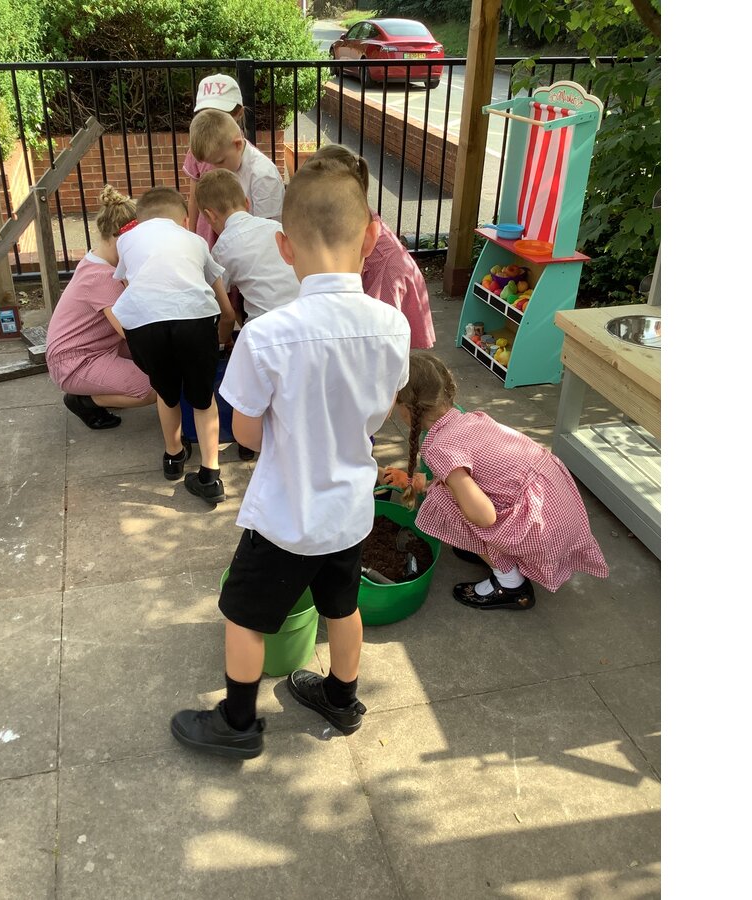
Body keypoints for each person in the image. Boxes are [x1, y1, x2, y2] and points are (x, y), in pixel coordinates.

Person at [169, 159, 412, 760]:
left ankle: (238, 722)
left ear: (284, 246)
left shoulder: (267, 335)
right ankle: (342, 698)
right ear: (371, 236)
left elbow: (246, 433)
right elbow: (381, 410)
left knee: (243, 615)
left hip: (286, 516)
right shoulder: (393, 326)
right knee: (342, 606)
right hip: (349, 511)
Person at [396, 352, 609, 610]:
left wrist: (435, 489)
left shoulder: (440, 448)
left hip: (541, 530)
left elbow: (484, 516)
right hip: (557, 508)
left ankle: (510, 584)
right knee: (453, 493)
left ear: (408, 409)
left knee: (443, 501)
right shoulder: (471, 419)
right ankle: (495, 552)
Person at [112, 185, 239, 504]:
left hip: (144, 325)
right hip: (195, 321)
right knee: (203, 399)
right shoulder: (196, 241)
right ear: (184, 220)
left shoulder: (126, 240)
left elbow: (129, 284)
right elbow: (225, 309)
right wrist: (220, 340)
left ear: (140, 220)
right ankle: (210, 476)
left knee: (166, 392)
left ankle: (173, 456)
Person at [45, 185, 158, 429]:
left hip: (96, 346)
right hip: (75, 362)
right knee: (155, 387)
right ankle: (84, 401)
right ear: (121, 239)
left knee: (155, 363)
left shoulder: (98, 260)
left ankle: (110, 387)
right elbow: (130, 331)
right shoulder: (103, 277)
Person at [308, 144, 436, 349]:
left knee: (382, 343)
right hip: (385, 275)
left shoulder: (382, 265)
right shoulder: (350, 210)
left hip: (387, 278)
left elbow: (379, 336)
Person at [197, 169, 299, 323]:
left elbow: (220, 301)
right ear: (247, 202)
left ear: (210, 216)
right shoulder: (276, 227)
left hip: (265, 323)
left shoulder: (222, 248)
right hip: (304, 311)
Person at [189, 108, 284, 222]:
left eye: (220, 161)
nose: (215, 169)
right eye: (211, 163)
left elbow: (266, 229)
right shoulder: (232, 162)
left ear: (238, 144)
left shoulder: (263, 176)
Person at [183, 73, 245, 247]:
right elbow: (194, 197)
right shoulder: (196, 152)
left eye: (222, 115)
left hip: (236, 234)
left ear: (239, 114)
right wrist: (192, 236)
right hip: (207, 232)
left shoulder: (241, 152)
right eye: (208, 114)